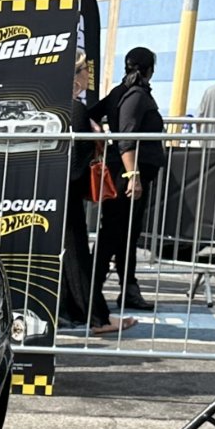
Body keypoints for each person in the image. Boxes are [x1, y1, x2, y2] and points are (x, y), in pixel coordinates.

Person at [59, 51, 135, 335]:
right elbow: (77, 162)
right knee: (77, 254)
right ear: (75, 76)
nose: (88, 76)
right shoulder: (75, 109)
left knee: (70, 254)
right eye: (84, 71)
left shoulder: (56, 106)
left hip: (51, 190)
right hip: (67, 192)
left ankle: (76, 312)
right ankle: (97, 318)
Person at [90, 46, 164, 313]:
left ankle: (127, 289)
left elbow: (93, 115)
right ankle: (90, 290)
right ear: (148, 69)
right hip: (128, 175)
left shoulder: (122, 92)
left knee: (126, 235)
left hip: (128, 173)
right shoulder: (133, 95)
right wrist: (134, 176)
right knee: (113, 233)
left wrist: (97, 128)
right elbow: (126, 139)